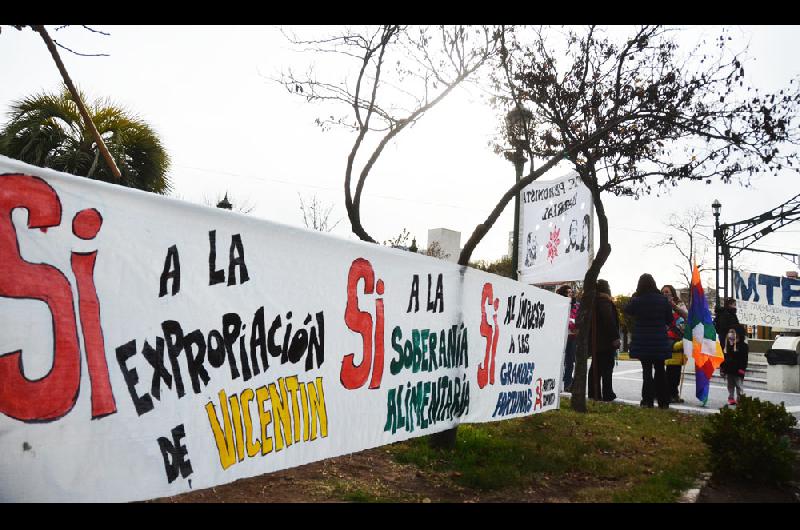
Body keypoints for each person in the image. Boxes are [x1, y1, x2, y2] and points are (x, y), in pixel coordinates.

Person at [624, 273, 673, 409]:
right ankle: (664, 401)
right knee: (660, 370)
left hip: (643, 341)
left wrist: (634, 296)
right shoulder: (663, 300)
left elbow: (627, 310)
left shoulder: (637, 300)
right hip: (659, 341)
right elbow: (669, 319)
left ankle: (647, 400)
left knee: (646, 372)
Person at [587, 279, 620, 401]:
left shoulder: (592, 302)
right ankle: (607, 393)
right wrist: (615, 337)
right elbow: (609, 321)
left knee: (595, 367)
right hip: (605, 341)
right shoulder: (604, 302)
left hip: (595, 340)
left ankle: (593, 393)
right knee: (606, 368)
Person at [661, 284, 688, 404]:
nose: (665, 294)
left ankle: (674, 393)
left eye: (667, 292)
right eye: (663, 292)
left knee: (676, 369)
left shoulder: (679, 304)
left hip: (678, 338)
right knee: (668, 369)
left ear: (672, 293)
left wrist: (673, 305)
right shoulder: (660, 304)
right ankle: (667, 393)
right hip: (665, 338)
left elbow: (686, 316)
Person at [556, 284, 579, 392]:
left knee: (570, 361)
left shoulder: (576, 305)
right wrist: (572, 325)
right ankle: (559, 382)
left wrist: (577, 327)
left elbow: (577, 318)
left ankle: (568, 383)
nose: (570, 294)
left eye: (571, 292)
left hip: (572, 337)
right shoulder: (558, 304)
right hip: (561, 336)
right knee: (560, 360)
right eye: (567, 292)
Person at [721, 324, 749, 406]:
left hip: (738, 370)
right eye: (730, 332)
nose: (731, 334)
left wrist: (742, 369)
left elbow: (744, 359)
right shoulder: (727, 345)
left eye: (733, 332)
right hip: (729, 369)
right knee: (730, 385)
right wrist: (723, 368)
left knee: (739, 385)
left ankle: (740, 399)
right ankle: (731, 398)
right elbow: (723, 358)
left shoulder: (743, 346)